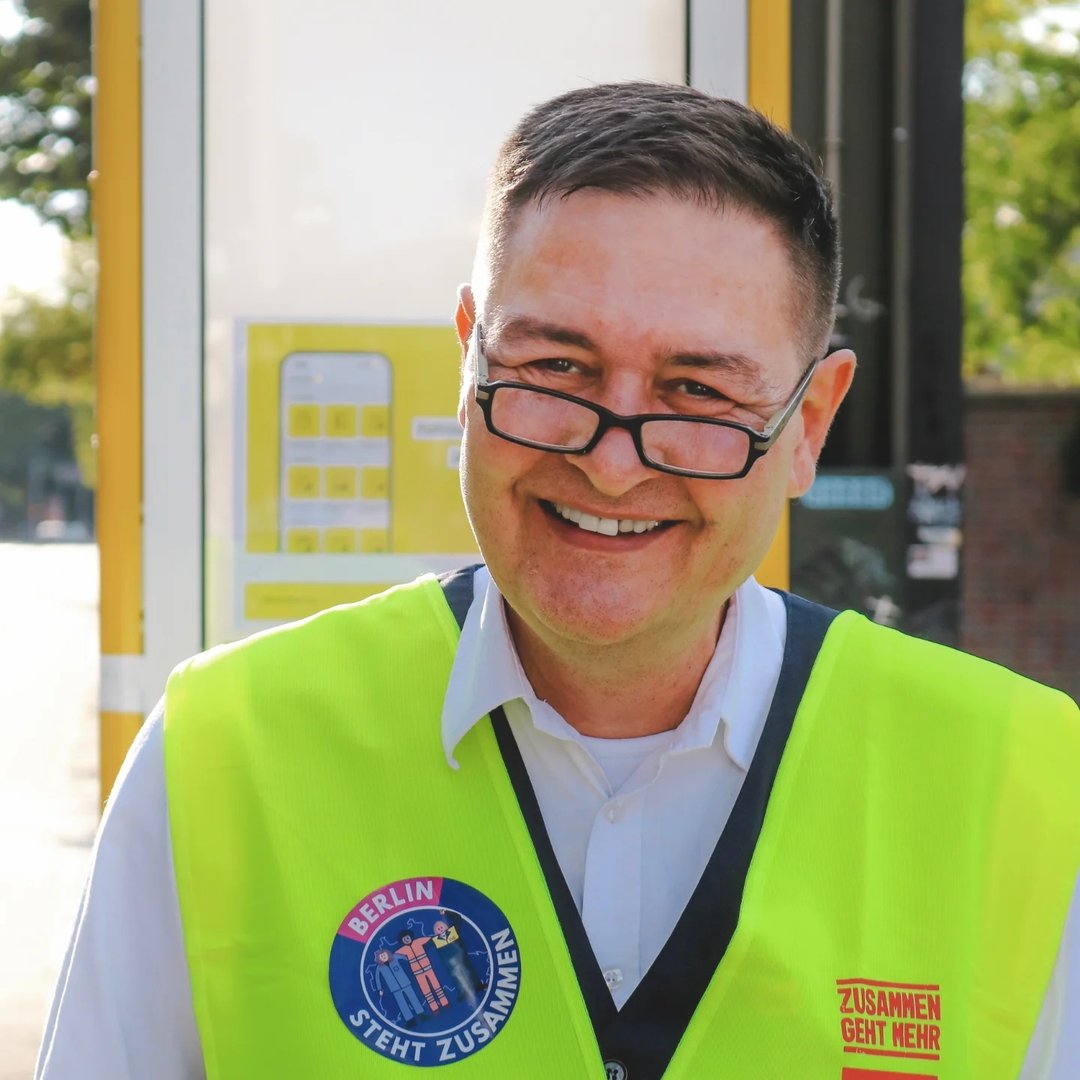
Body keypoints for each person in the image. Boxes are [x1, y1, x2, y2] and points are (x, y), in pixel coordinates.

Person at [37, 82, 1078, 1078]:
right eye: (555, 369)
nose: (611, 463)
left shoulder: (1029, 792)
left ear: (807, 424)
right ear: (469, 363)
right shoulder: (222, 757)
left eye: (695, 390)